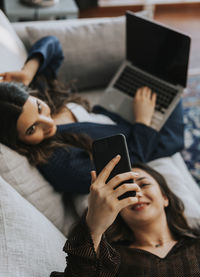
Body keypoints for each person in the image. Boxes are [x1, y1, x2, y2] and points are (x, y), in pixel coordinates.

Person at [0, 35, 184, 194]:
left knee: (157, 49)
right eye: (32, 129)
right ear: (18, 140)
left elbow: (52, 44)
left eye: (40, 108)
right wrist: (143, 120)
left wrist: (27, 72)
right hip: (149, 140)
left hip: (116, 114)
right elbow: (125, 166)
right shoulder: (58, 163)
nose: (47, 123)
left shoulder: (32, 99)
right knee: (170, 72)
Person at [49, 159, 200, 277]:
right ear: (117, 209)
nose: (137, 193)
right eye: (125, 191)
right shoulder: (111, 260)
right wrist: (94, 227)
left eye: (144, 184)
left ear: (165, 197)